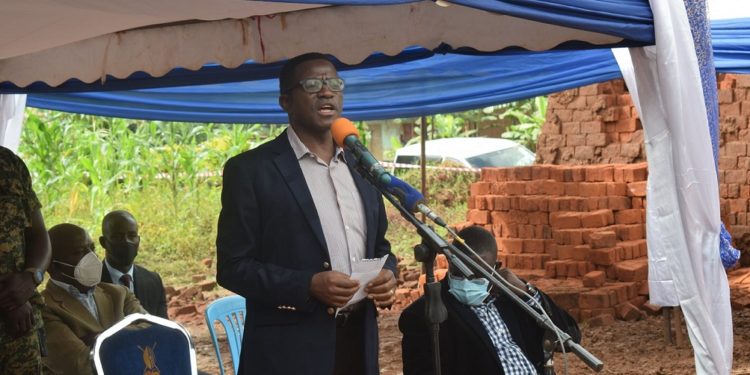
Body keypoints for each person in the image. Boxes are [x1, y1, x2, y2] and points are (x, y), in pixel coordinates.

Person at [216, 52, 398, 375]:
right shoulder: (251, 171)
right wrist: (306, 285)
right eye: (313, 84)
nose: (327, 92)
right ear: (285, 101)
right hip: (289, 354)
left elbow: (380, 248)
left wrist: (388, 275)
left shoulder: (363, 167)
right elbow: (232, 267)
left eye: (334, 84)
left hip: (358, 342)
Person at [399, 226, 581, 375]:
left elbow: (570, 336)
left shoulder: (512, 299)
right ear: (450, 262)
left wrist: (526, 292)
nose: (466, 280)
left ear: (495, 268)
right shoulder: (428, 314)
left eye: (477, 274)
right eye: (459, 271)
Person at [42, 223, 146, 375]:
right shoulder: (44, 308)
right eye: (79, 252)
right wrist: (126, 337)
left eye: (92, 248)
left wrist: (98, 340)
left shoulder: (119, 294)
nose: (92, 256)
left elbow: (151, 333)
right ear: (53, 266)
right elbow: (82, 366)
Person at [0, 146, 51, 374]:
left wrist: (32, 277)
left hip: (20, 329)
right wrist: (10, 300)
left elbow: (39, 235)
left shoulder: (9, 163)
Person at [99, 210, 168, 318]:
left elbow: (163, 327)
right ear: (103, 242)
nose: (126, 241)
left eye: (132, 236)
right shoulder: (91, 282)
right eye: (118, 237)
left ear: (138, 240)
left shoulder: (153, 281)